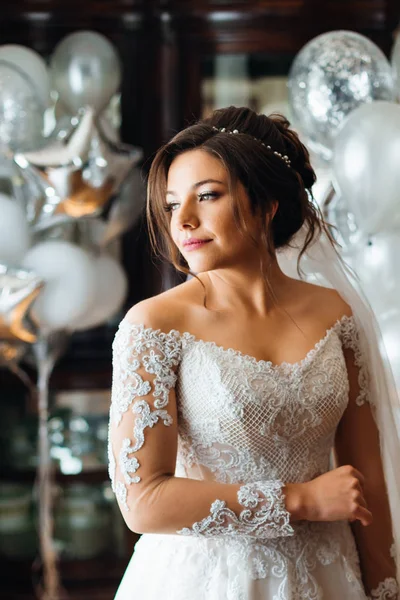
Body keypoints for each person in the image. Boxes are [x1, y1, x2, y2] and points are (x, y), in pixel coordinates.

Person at [108, 106, 400, 600]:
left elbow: (367, 482)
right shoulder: (155, 326)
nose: (184, 221)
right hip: (208, 582)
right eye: (170, 205)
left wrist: (386, 589)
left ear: (266, 204)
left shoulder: (335, 316)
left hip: (331, 578)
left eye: (207, 196)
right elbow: (143, 502)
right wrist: (300, 500)